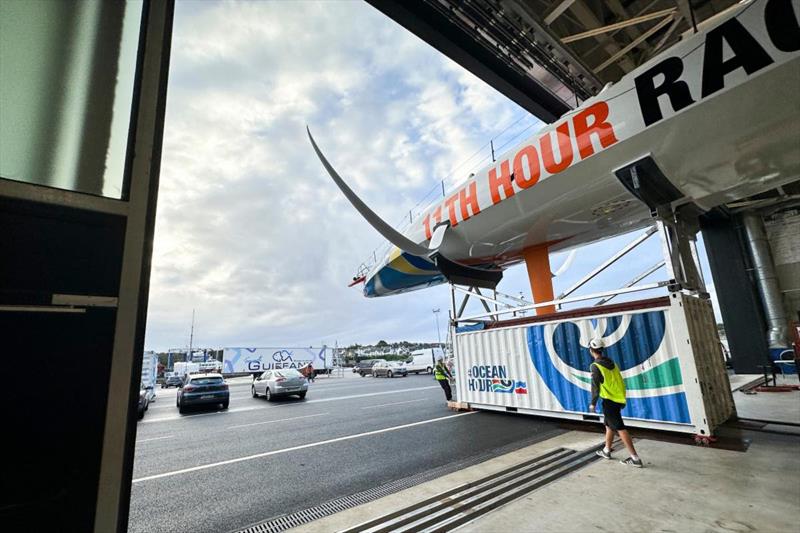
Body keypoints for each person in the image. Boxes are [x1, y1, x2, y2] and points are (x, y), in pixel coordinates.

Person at [587, 338, 643, 468]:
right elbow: (617, 380)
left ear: (591, 350)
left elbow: (595, 387)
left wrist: (592, 403)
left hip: (609, 400)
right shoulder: (611, 362)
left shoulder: (595, 366)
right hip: (617, 398)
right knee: (609, 425)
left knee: (620, 428)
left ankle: (635, 458)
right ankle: (606, 450)